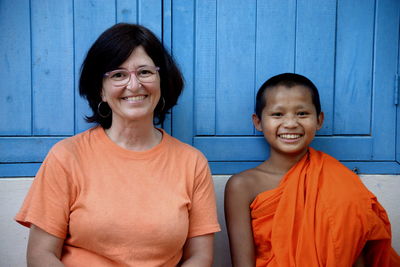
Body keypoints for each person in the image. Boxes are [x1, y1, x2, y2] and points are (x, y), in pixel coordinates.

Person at [15, 23, 220, 267]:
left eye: (144, 72)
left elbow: (200, 256)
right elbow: (40, 255)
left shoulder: (192, 162)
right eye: (118, 75)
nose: (133, 85)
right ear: (100, 90)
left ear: (161, 80)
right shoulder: (67, 156)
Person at [224, 73, 400, 267]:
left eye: (302, 114)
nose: (291, 123)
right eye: (277, 114)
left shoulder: (341, 181)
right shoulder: (243, 186)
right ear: (258, 122)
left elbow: (354, 252)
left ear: (319, 120)